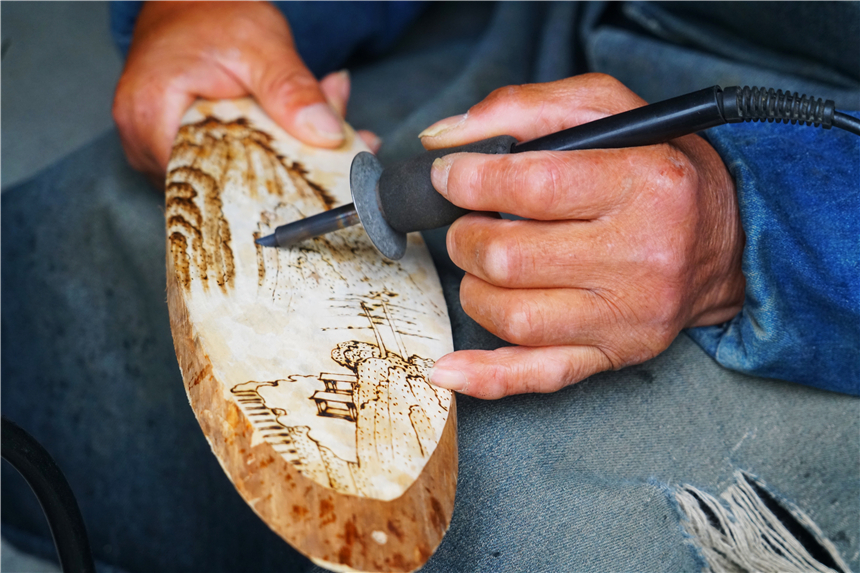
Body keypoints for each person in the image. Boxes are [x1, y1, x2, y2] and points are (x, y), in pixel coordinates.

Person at [2, 2, 857, 572]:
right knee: (80, 245)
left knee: (507, 515)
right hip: (579, 16)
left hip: (817, 166)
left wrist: (741, 231)